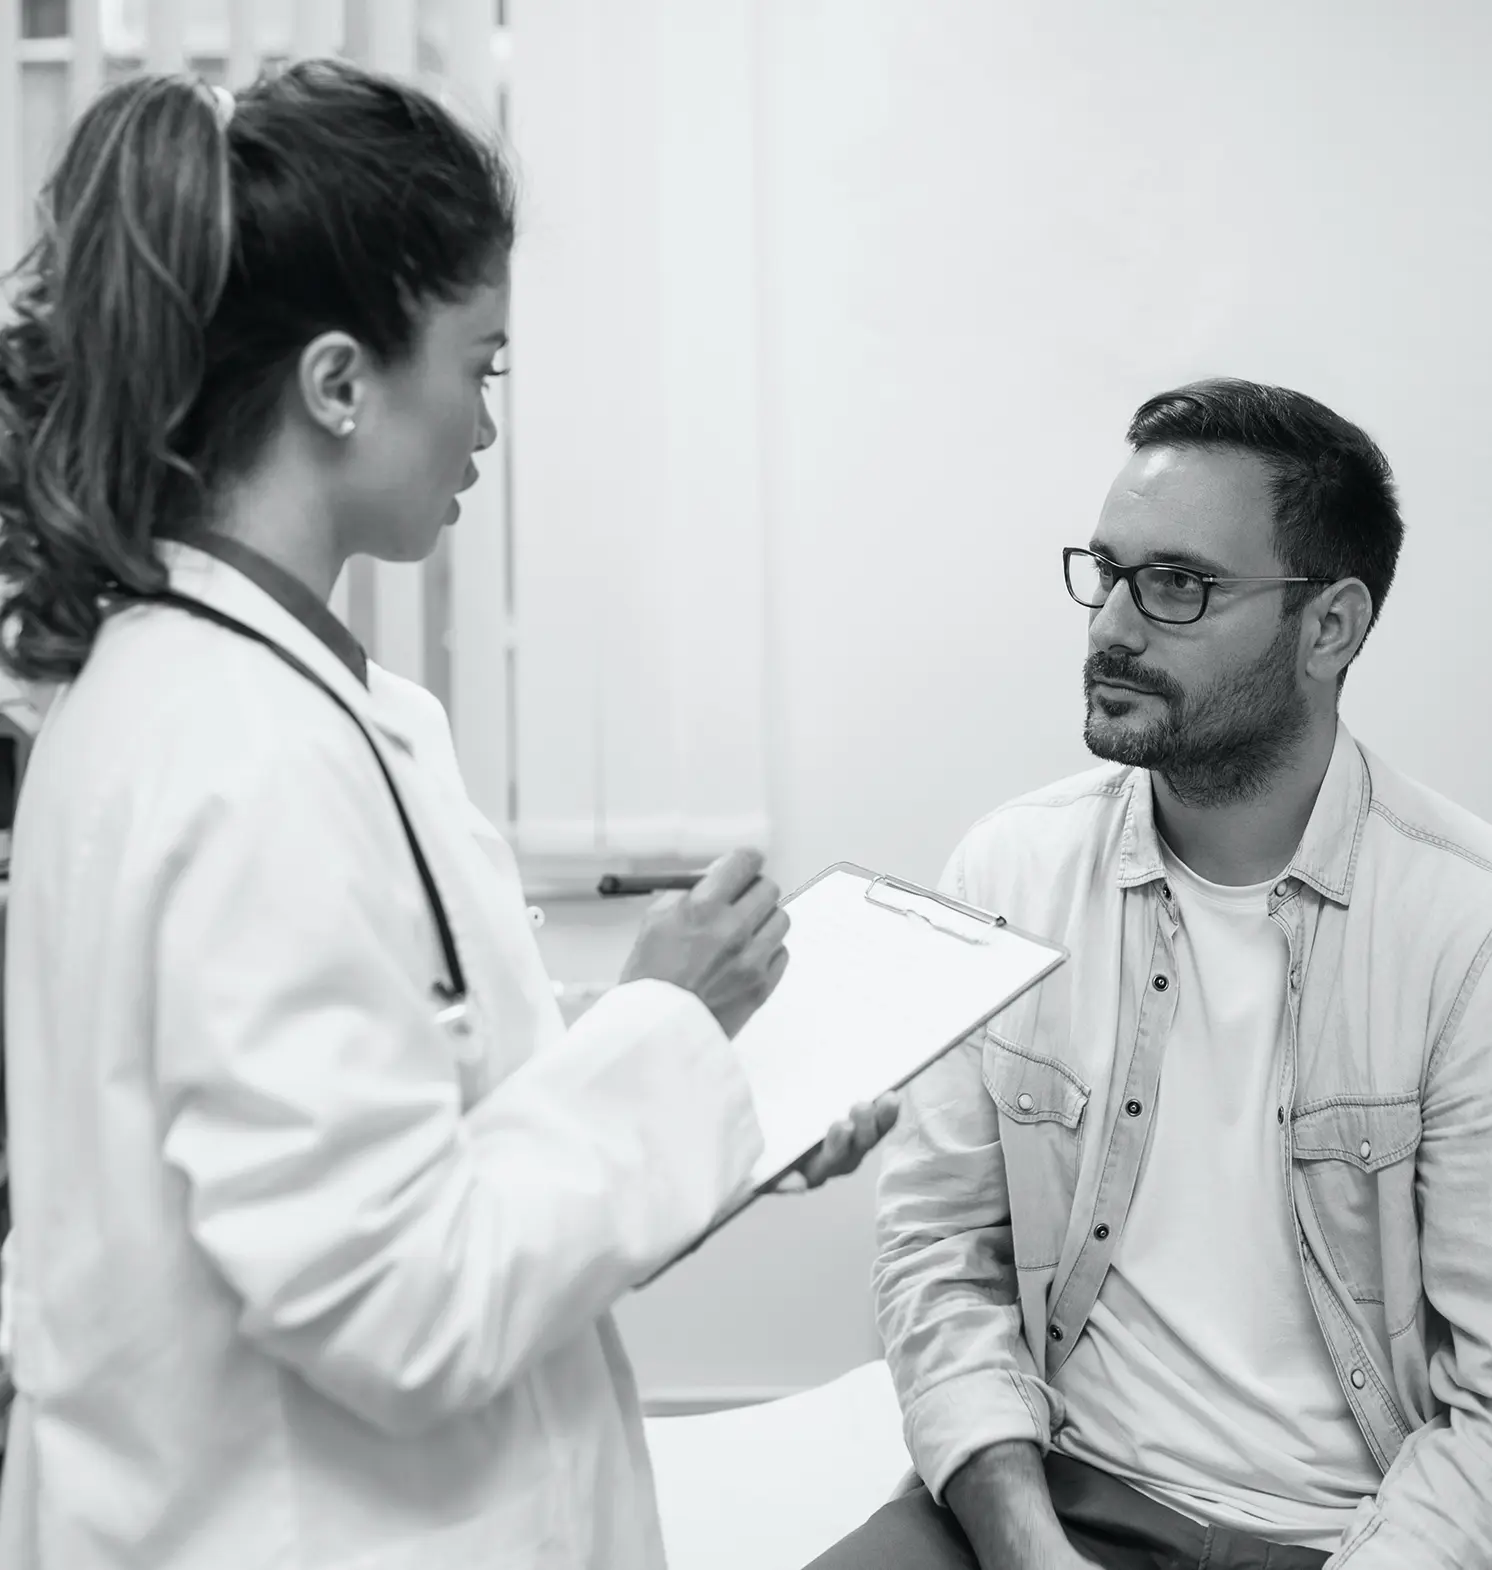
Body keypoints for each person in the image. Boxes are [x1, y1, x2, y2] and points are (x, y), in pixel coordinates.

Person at [0, 63, 897, 1569]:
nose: (489, 418)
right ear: (341, 382)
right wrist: (664, 1034)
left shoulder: (272, 702)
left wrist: (714, 1083)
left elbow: (415, 1102)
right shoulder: (244, 757)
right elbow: (396, 1298)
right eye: (478, 362)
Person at [809, 379, 1492, 1570]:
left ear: (1328, 627)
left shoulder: (1460, 923)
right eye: (1107, 573)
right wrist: (1024, 1542)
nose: (1111, 627)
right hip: (1050, 1493)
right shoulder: (1012, 870)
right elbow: (937, 1258)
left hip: (1347, 1539)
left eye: (1178, 585)